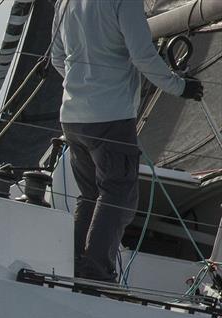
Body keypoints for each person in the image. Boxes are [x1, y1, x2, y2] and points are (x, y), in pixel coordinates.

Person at [51, 0, 204, 282]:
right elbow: (142, 55)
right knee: (119, 195)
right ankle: (97, 272)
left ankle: (72, 265)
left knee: (90, 195)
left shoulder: (66, 2)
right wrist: (179, 87)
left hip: (73, 116)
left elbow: (57, 58)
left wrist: (86, 85)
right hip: (110, 117)